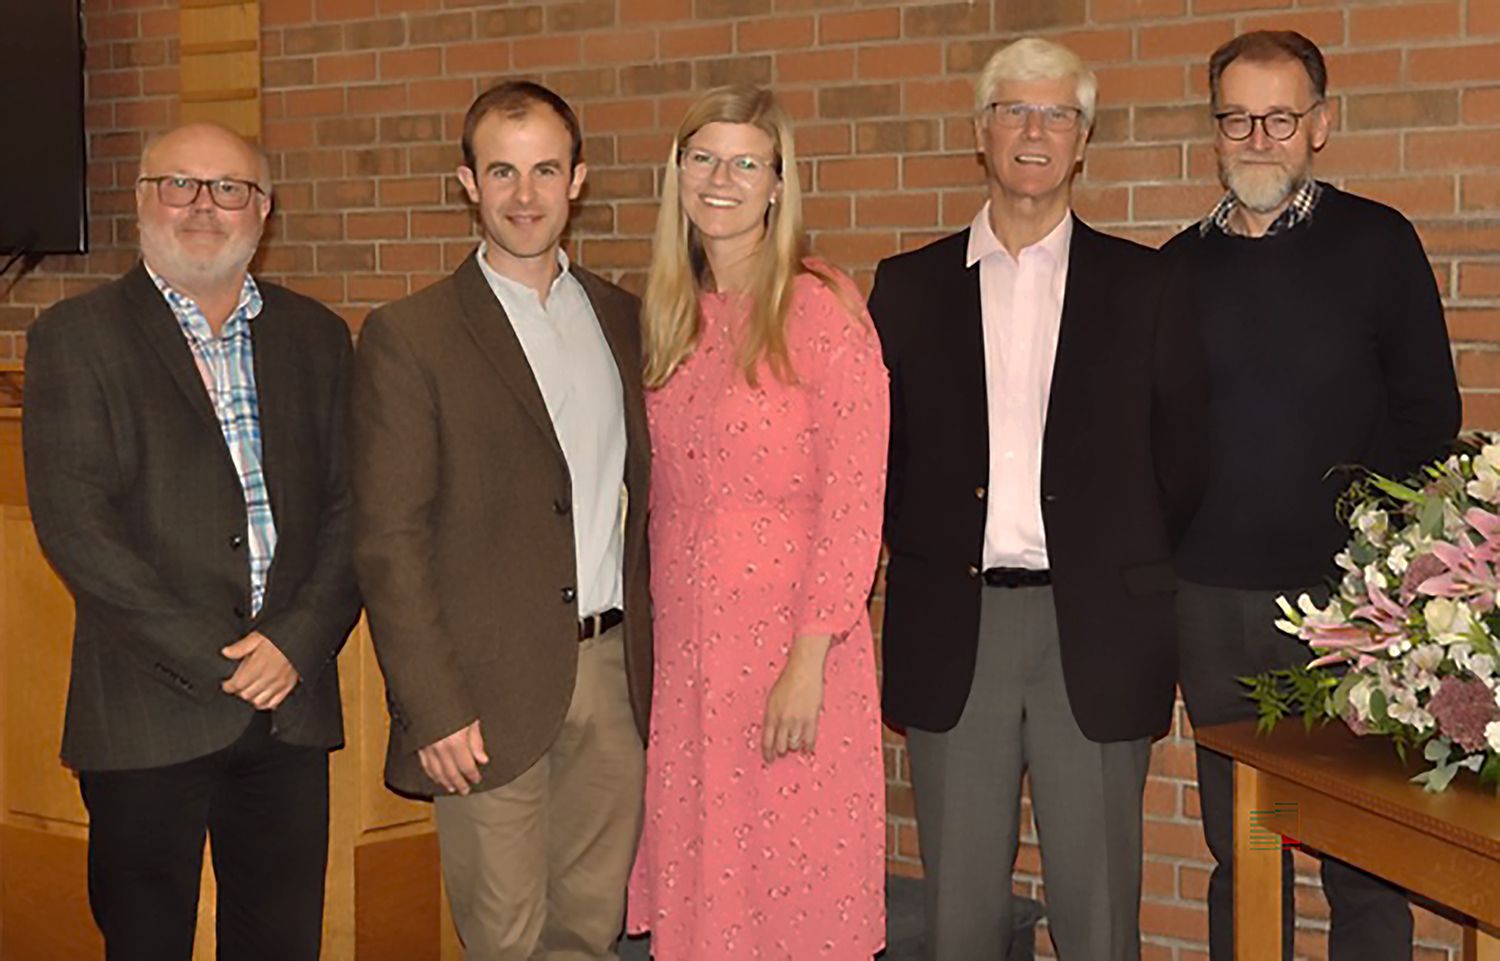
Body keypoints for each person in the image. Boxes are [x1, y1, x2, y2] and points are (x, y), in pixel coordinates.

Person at [869, 38, 1208, 961]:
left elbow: (1184, 462)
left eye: (1057, 113)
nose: (1034, 129)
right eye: (1014, 110)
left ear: (1083, 139)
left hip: (1092, 631)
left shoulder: (1147, 286)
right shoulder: (906, 289)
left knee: (1099, 916)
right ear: (980, 132)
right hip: (957, 629)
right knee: (961, 920)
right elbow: (883, 467)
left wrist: (1112, 554)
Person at [22, 122, 360, 961]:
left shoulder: (318, 337)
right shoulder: (75, 337)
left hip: (290, 708)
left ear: (264, 211)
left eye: (230, 188)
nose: (203, 206)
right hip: (145, 709)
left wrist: (296, 643)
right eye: (179, 185)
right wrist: (230, 660)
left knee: (282, 945)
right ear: (142, 200)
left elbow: (355, 510)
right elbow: (78, 531)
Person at [1166, 30, 1461, 961]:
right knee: (1242, 846)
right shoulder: (1174, 268)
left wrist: (1378, 568)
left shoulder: (1378, 244)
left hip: (1348, 611)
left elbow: (1429, 416)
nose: (1258, 137)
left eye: (1280, 117)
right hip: (1210, 604)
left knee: (1364, 859)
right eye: (1238, 117)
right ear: (1215, 131)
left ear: (1320, 125)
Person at [350, 81, 652, 961]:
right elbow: (388, 540)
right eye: (503, 172)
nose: (526, 195)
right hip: (482, 695)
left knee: (588, 933)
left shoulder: (623, 320)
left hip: (613, 680)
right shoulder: (411, 335)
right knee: (505, 942)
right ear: (468, 183)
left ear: (579, 180)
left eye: (546, 170)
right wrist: (432, 707)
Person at [624, 85, 889, 961]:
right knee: (711, 893)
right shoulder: (667, 315)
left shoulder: (822, 312)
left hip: (792, 653)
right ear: (677, 175)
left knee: (794, 898)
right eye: (703, 158)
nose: (722, 178)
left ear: (779, 184)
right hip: (691, 659)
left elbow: (855, 503)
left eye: (747, 162)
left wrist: (808, 659)